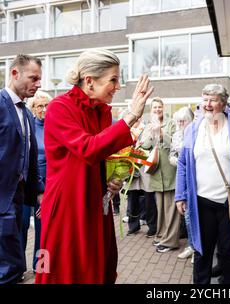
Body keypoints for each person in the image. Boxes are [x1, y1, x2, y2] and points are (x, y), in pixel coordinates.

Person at [35, 49, 153, 284]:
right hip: (68, 205)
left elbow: (102, 153)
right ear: (89, 81)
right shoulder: (60, 107)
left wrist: (111, 178)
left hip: (95, 202)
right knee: (64, 269)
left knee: (98, 266)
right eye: (113, 79)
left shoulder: (101, 111)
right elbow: (87, 149)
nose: (117, 86)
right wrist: (130, 116)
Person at [175, 84, 230, 284]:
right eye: (204, 99)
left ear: (223, 102)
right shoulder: (193, 129)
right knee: (202, 250)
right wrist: (181, 194)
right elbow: (183, 163)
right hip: (201, 201)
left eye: (212, 100)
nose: (207, 104)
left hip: (229, 202)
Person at [0, 54, 44, 284]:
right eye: (33, 78)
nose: (38, 84)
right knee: (7, 267)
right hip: (2, 199)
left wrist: (39, 192)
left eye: (40, 79)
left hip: (19, 200)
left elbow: (31, 158)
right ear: (15, 73)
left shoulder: (27, 112)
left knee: (15, 263)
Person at [139, 98, 179, 253]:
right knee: (161, 208)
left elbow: (174, 144)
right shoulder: (149, 125)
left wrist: (160, 132)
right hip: (156, 173)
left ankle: (171, 241)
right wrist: (150, 132)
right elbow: (145, 145)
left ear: (164, 108)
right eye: (154, 107)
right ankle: (162, 235)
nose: (157, 110)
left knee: (171, 209)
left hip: (170, 172)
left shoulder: (171, 123)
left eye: (159, 107)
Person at [20, 91, 52, 273]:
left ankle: (41, 267)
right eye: (40, 106)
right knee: (22, 225)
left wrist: (47, 191)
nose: (44, 109)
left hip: (47, 187)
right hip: (27, 186)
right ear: (33, 108)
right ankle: (19, 267)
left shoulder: (55, 128)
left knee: (44, 229)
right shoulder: (27, 126)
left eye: (47, 105)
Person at [169, 107, 195, 261]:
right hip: (182, 178)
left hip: (195, 180)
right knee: (186, 214)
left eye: (183, 121)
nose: (180, 124)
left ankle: (198, 248)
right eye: (178, 121)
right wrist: (177, 161)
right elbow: (172, 154)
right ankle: (192, 246)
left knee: (195, 215)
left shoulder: (196, 133)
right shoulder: (177, 135)